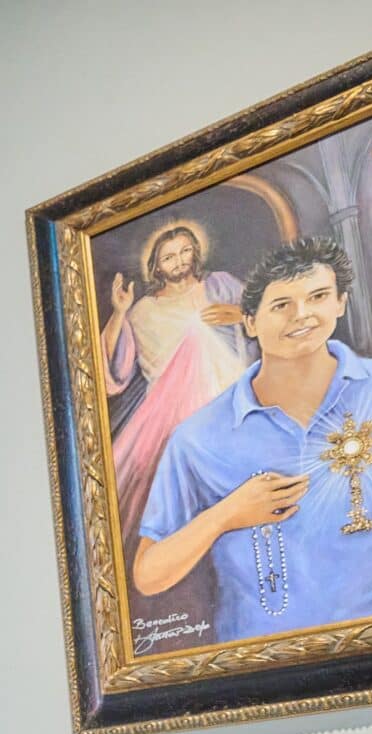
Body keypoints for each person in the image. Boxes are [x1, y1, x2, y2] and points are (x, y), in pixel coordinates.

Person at [131, 238, 372, 644]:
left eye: (318, 296)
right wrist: (228, 513)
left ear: (341, 302)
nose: (303, 316)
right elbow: (149, 574)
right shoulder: (196, 437)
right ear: (249, 322)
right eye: (281, 305)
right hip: (262, 668)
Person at [99, 221, 250, 568]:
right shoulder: (143, 311)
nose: (179, 261)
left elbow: (268, 320)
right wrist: (120, 311)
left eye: (184, 251)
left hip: (231, 401)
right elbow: (112, 368)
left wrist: (242, 315)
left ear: (196, 252)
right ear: (156, 265)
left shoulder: (220, 284)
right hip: (175, 417)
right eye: (169, 257)